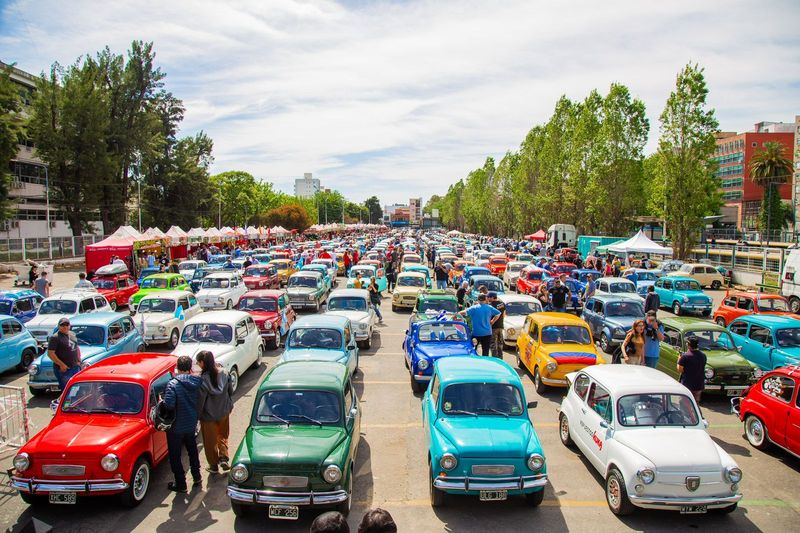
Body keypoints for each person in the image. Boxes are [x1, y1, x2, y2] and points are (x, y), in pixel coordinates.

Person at [164, 355, 203, 493]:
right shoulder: (197, 382)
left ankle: (181, 483)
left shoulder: (172, 384)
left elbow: (169, 405)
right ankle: (197, 476)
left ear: (178, 368)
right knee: (192, 451)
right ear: (190, 368)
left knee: (175, 456)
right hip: (191, 423)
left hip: (176, 426)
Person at [196, 351, 234, 473]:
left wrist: (197, 415)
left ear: (202, 363)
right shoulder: (224, 373)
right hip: (224, 411)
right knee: (223, 435)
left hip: (208, 416)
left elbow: (200, 401)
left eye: (198, 362)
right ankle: (224, 458)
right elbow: (230, 391)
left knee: (210, 441)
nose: (198, 364)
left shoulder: (202, 380)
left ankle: (213, 466)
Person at [47, 317, 81, 390]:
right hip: (65, 370)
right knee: (67, 390)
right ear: (59, 326)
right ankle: (67, 402)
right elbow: (50, 353)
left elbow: (76, 347)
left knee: (76, 390)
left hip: (75, 367)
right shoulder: (55, 337)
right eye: (62, 325)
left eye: (67, 324)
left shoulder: (72, 334)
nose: (65, 327)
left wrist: (79, 360)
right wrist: (62, 365)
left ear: (69, 325)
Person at [678, 336, 707, 402]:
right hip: (699, 385)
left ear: (688, 344)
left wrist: (679, 358)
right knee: (695, 404)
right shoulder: (703, 355)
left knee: (684, 405)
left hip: (687, 385)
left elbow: (680, 369)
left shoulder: (685, 356)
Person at [487, 292, 506, 358]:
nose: (488, 298)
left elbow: (488, 316)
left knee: (493, 344)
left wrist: (491, 322)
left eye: (489, 297)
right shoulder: (502, 303)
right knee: (500, 343)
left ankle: (495, 359)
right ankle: (500, 358)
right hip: (500, 326)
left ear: (492, 297)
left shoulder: (490, 305)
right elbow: (504, 314)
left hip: (493, 327)